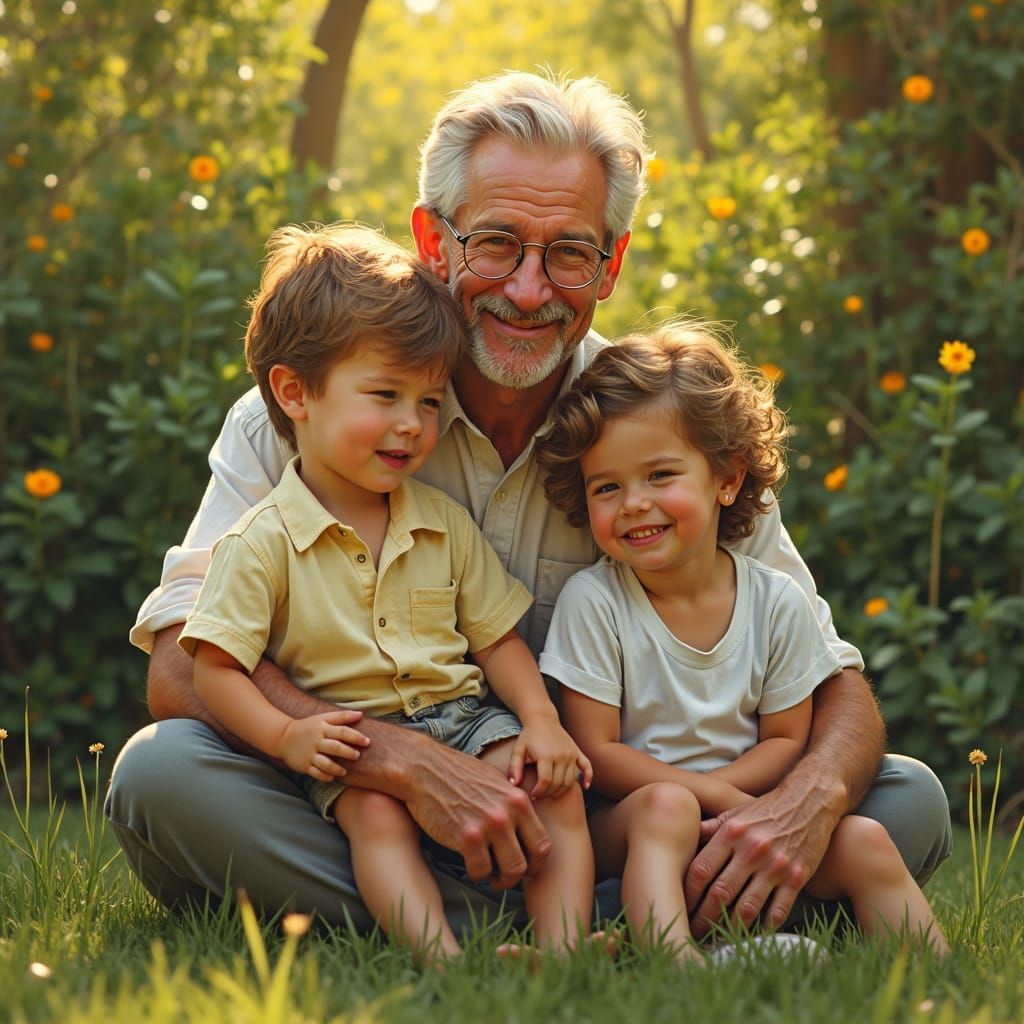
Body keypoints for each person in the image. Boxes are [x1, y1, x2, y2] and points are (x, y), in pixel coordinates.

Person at [107, 69, 951, 936]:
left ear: (612, 264)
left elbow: (830, 675)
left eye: (570, 252)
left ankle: (478, 924)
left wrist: (808, 802)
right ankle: (630, 927)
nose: (528, 290)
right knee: (162, 775)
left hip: (617, 822)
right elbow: (180, 664)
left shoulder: (656, 422)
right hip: (371, 809)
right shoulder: (308, 411)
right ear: (433, 241)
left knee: (903, 801)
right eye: (498, 242)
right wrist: (402, 763)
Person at [177, 222, 594, 961]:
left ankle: (566, 948)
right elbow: (215, 666)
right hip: (354, 740)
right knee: (375, 816)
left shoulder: (440, 523)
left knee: (548, 788)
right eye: (385, 396)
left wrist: (539, 720)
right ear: (294, 392)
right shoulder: (263, 541)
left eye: (431, 403)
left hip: (467, 723)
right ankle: (444, 956)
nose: (411, 425)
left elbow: (496, 640)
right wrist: (286, 736)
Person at [535, 323, 949, 959]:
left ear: (726, 479)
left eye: (660, 475)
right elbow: (597, 748)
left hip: (756, 809)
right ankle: (677, 971)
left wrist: (748, 804)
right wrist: (717, 796)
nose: (634, 504)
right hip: (631, 820)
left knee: (868, 837)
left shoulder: (773, 600)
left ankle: (934, 979)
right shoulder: (596, 602)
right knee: (667, 810)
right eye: (607, 487)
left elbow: (788, 737)